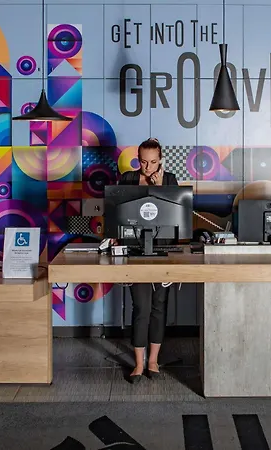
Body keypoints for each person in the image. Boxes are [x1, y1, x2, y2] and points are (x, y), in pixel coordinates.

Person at [118, 138, 178, 384]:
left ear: (160, 160)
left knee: (159, 305)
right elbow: (117, 213)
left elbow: (174, 215)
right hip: (135, 251)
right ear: (138, 159)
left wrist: (161, 187)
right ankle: (139, 363)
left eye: (153, 162)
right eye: (143, 162)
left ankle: (153, 361)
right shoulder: (128, 180)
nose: (148, 167)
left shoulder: (170, 181)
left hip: (162, 251)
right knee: (141, 307)